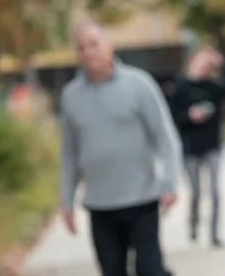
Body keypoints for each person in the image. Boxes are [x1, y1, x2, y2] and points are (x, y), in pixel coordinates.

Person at [58, 22, 181, 276]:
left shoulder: (139, 84)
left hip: (142, 199)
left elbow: (165, 137)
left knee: (150, 269)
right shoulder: (70, 95)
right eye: (81, 48)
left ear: (109, 46)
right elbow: (69, 154)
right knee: (112, 271)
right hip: (100, 204)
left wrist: (169, 182)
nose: (89, 52)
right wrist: (66, 200)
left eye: (94, 44)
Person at [169, 47, 225, 247]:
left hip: (212, 146)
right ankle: (194, 224)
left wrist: (222, 64)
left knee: (215, 191)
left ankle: (214, 234)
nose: (204, 68)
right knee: (196, 192)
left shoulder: (213, 86)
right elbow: (172, 116)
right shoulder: (180, 87)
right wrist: (190, 116)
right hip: (190, 148)